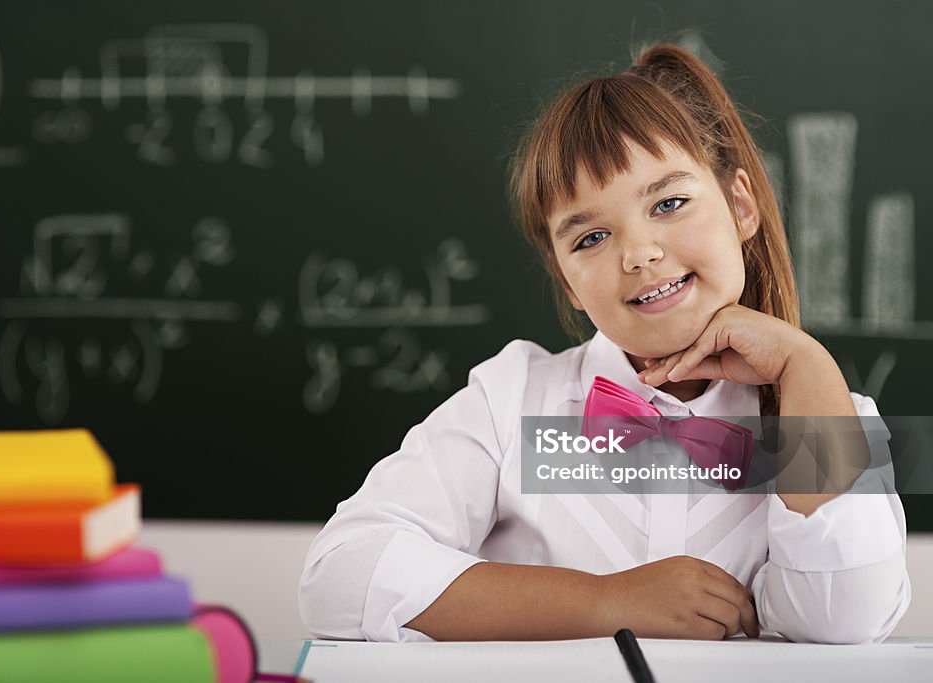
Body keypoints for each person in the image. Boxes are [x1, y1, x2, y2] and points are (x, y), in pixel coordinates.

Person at [298, 43, 910, 644]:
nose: (639, 254)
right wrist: (605, 602)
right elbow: (340, 576)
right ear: (565, 279)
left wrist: (805, 363)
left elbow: (846, 618)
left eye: (669, 203)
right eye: (590, 238)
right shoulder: (511, 398)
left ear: (740, 205)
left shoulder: (825, 409)